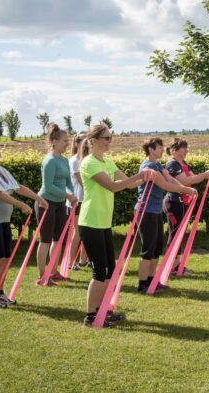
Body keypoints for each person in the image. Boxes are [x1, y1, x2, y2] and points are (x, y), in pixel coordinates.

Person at [77, 124, 150, 327]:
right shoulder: (89, 163)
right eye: (106, 138)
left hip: (103, 223)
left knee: (110, 270)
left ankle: (102, 311)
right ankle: (91, 316)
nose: (110, 141)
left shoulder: (107, 160)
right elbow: (113, 186)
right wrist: (140, 176)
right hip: (90, 222)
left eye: (111, 137)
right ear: (93, 141)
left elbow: (128, 183)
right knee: (99, 271)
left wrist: (146, 176)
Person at [0, 140, 47, 308]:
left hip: (4, 220)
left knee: (6, 259)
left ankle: (0, 294)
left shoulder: (1, 171)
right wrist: (21, 205)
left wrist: (38, 198)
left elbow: (18, 187)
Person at [136, 138, 196, 294]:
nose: (163, 149)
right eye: (159, 147)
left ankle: (152, 281)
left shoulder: (158, 165)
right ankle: (142, 285)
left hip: (155, 211)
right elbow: (166, 185)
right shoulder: (148, 167)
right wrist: (187, 190)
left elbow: (171, 179)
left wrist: (184, 187)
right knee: (147, 250)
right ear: (150, 149)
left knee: (156, 249)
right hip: (146, 211)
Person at [164, 138, 209, 276]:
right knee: (174, 234)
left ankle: (176, 265)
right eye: (183, 148)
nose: (186, 150)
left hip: (182, 202)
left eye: (186, 147)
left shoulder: (182, 163)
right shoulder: (172, 163)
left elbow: (193, 177)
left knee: (179, 235)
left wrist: (203, 176)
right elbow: (185, 181)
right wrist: (204, 175)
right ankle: (172, 267)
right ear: (174, 150)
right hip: (173, 202)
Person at [36, 124, 77, 286]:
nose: (67, 143)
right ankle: (42, 276)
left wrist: (72, 195)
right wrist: (67, 195)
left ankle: (53, 271)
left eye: (68, 140)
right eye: (64, 141)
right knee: (45, 240)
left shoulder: (64, 160)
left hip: (60, 203)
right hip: (45, 203)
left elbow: (68, 181)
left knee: (58, 240)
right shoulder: (49, 161)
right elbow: (48, 186)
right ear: (54, 141)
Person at [68, 133, 90, 270]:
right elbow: (82, 182)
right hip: (77, 200)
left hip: (86, 200)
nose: (86, 143)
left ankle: (83, 260)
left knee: (85, 231)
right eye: (82, 141)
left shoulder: (86, 159)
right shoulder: (74, 160)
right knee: (78, 231)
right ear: (76, 144)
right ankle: (71, 262)